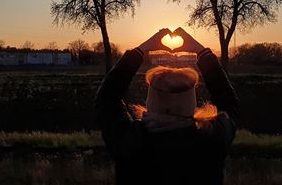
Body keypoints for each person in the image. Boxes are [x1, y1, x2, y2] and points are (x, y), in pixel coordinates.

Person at [95, 27, 240, 185]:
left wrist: (141, 50)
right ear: (192, 103)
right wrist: (201, 51)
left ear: (150, 102)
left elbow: (107, 96)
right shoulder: (212, 139)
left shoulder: (129, 140)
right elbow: (228, 101)